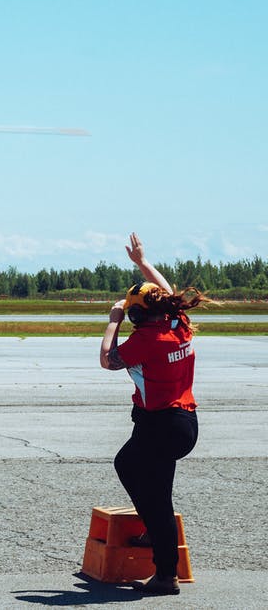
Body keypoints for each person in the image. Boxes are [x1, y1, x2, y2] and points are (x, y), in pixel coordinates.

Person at [99, 233, 211, 596]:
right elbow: (166, 291)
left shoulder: (147, 339)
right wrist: (142, 263)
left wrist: (113, 320)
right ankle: (155, 530)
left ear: (137, 314)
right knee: (156, 485)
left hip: (161, 424)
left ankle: (166, 575)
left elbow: (106, 360)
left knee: (131, 469)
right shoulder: (176, 323)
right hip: (182, 422)